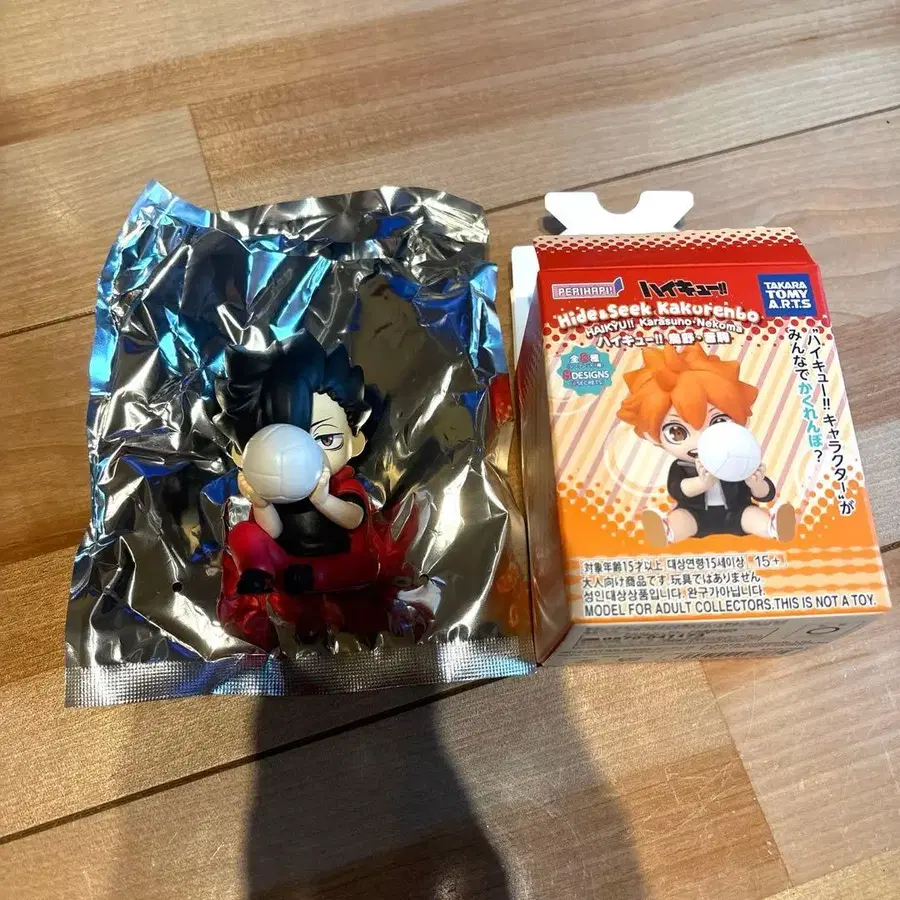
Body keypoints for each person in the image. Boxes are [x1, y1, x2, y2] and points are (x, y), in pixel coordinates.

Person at [213, 331, 425, 647]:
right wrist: (261, 503)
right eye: (275, 444)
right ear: (241, 455)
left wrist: (323, 499)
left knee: (360, 566)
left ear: (355, 441)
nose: (302, 455)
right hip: (285, 562)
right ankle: (260, 574)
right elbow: (271, 531)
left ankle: (307, 579)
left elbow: (354, 518)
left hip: (339, 563)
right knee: (243, 533)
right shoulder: (273, 488)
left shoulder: (341, 484)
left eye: (325, 439)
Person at [617, 344, 796, 548]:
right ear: (652, 437)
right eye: (677, 432)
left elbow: (766, 494)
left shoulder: (740, 459)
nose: (703, 439)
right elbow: (678, 490)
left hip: (737, 512)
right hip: (695, 514)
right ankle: (667, 530)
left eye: (718, 422)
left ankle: (773, 526)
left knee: (751, 515)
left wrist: (756, 483)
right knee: (682, 518)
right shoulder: (683, 467)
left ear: (742, 421)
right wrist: (701, 484)